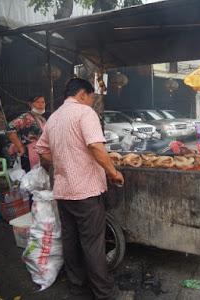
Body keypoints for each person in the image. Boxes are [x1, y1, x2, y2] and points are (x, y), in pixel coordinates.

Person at [35, 78, 124, 300]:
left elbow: (41, 151)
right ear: (83, 94)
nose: (92, 102)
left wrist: (63, 162)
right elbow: (95, 146)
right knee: (93, 244)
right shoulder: (85, 113)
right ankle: (104, 293)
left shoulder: (54, 118)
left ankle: (78, 290)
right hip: (86, 192)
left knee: (71, 241)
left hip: (64, 192)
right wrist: (113, 173)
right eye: (92, 97)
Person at [7, 95, 47, 171]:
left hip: (41, 153)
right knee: (30, 179)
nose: (41, 104)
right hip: (29, 153)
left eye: (43, 102)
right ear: (30, 104)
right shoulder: (26, 117)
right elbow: (10, 128)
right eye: (37, 102)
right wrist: (20, 147)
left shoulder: (42, 119)